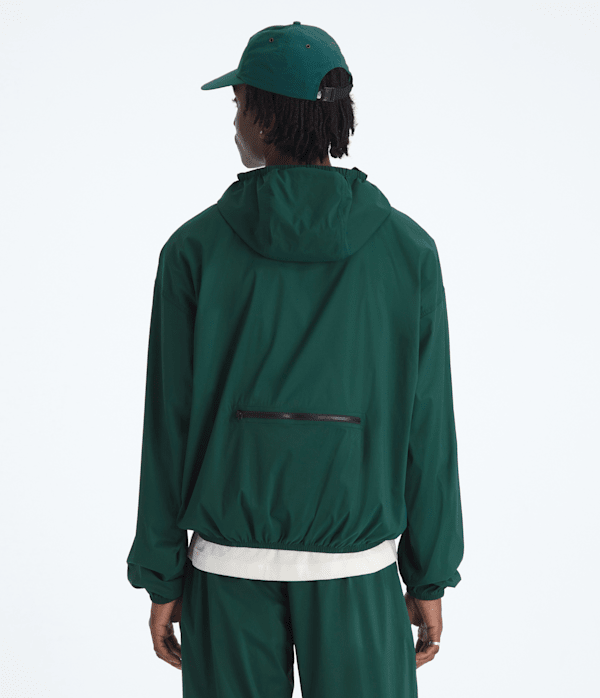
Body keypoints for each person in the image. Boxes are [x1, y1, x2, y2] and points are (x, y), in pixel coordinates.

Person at [127, 21, 464, 697]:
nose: (234, 122)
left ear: (263, 114)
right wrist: (429, 575)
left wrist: (162, 575)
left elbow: (169, 425)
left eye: (237, 105)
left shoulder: (194, 250)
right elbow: (428, 428)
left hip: (227, 575)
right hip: (358, 573)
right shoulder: (408, 251)